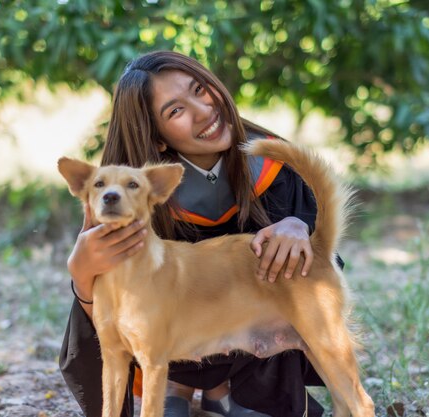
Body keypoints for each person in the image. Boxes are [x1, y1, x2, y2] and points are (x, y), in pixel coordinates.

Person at [59, 50, 337, 417]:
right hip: (175, 337)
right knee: (107, 293)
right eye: (175, 111)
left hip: (252, 330)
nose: (204, 111)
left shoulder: (272, 161)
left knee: (297, 266)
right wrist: (81, 274)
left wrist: (298, 226)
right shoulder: (134, 190)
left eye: (200, 89)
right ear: (156, 139)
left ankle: (248, 391)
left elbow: (317, 246)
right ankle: (180, 382)